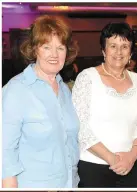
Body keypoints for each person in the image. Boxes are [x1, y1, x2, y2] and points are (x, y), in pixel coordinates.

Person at [2, 15, 79, 188]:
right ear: (35, 49)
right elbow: (4, 150)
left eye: (60, 48)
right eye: (46, 47)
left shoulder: (65, 90)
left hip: (69, 183)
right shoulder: (16, 89)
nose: (54, 54)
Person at [72, 22, 137, 188]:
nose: (119, 52)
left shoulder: (136, 79)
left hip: (131, 167)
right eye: (113, 45)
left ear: (130, 52)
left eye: (125, 46)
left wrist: (132, 156)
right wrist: (112, 159)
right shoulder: (87, 78)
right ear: (103, 50)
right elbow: (80, 127)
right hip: (94, 167)